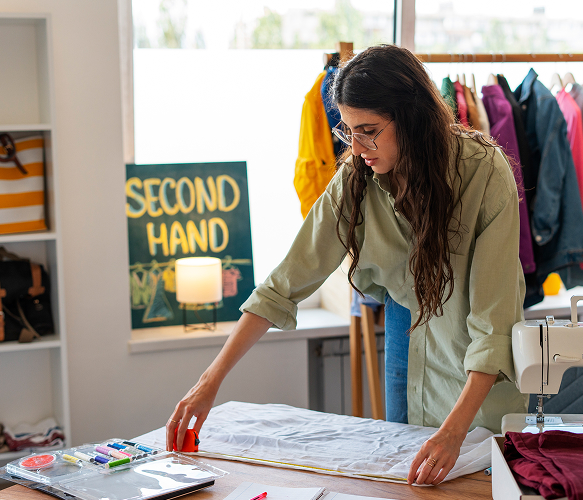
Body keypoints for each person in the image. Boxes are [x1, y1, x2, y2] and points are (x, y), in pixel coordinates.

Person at [166, 44, 527, 486]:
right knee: (410, 483)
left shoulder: (483, 173)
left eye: (369, 130)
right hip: (409, 338)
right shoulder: (357, 179)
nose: (356, 147)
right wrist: (208, 382)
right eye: (348, 132)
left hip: (480, 375)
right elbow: (283, 284)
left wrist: (453, 431)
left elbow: (494, 327)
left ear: (411, 116)